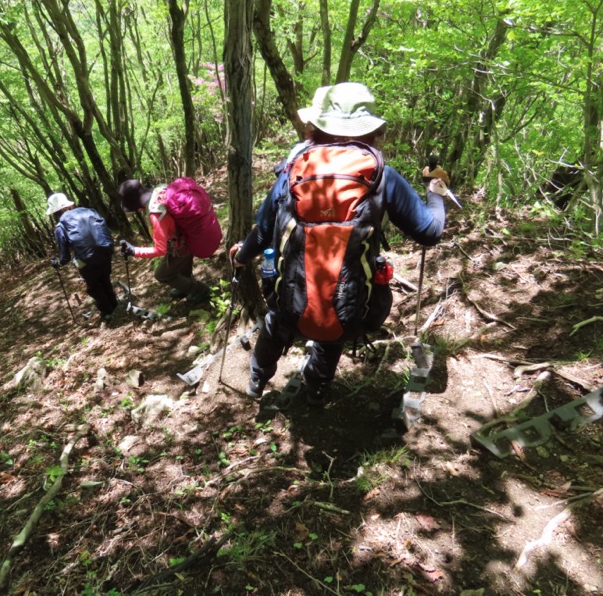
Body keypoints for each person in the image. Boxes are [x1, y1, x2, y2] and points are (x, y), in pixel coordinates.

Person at [230, 82, 449, 407]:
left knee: (275, 321)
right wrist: (436, 193)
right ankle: (317, 386)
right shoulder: (382, 177)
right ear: (370, 130)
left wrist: (240, 257)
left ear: (315, 127)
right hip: (355, 316)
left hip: (290, 309)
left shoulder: (291, 173)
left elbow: (261, 234)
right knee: (337, 309)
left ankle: (256, 380)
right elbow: (429, 232)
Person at [116, 179, 215, 305]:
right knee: (180, 267)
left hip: (180, 245)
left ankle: (200, 290)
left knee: (162, 275)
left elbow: (160, 249)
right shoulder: (159, 191)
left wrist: (134, 251)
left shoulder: (156, 215)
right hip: (186, 237)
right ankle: (185, 287)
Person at [46, 192, 119, 320]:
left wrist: (56, 263)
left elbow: (65, 258)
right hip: (105, 253)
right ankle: (116, 307)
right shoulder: (88, 212)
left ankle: (108, 313)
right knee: (105, 281)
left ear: (55, 212)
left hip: (86, 262)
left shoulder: (60, 227)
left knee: (94, 288)